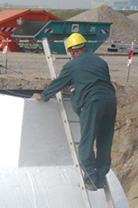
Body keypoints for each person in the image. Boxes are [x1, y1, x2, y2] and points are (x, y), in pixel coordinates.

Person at [31, 32, 117, 191]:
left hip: (93, 103)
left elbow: (59, 83)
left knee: (86, 142)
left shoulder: (72, 66)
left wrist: (43, 96)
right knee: (105, 140)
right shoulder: (101, 62)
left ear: (72, 51)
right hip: (110, 101)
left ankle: (91, 179)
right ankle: (100, 177)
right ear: (85, 47)